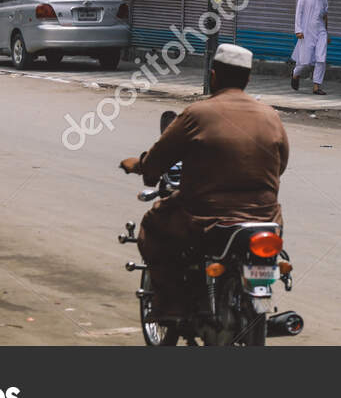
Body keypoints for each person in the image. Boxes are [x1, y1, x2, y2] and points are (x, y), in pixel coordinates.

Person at [120, 43, 290, 317]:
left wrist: (140, 167)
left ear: (213, 76)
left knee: (152, 226)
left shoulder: (197, 114)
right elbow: (280, 165)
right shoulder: (271, 116)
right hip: (265, 218)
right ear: (247, 79)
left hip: (206, 218)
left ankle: (170, 306)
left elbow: (158, 159)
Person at [291, 0, 330, 95]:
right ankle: (295, 74)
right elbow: (299, 13)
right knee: (304, 61)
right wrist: (298, 30)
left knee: (321, 59)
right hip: (306, 32)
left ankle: (316, 86)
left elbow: (325, 17)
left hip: (321, 32)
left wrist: (326, 33)